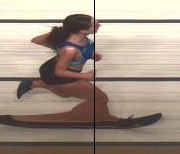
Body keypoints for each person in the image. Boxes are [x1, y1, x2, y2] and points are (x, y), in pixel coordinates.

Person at [8, 14, 142, 126]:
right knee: (100, 98)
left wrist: (89, 55)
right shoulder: (69, 50)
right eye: (95, 25)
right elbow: (59, 72)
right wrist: (84, 76)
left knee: (65, 94)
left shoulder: (72, 35)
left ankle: (34, 83)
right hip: (59, 75)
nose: (99, 25)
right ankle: (97, 118)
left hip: (54, 69)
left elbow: (37, 40)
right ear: (82, 30)